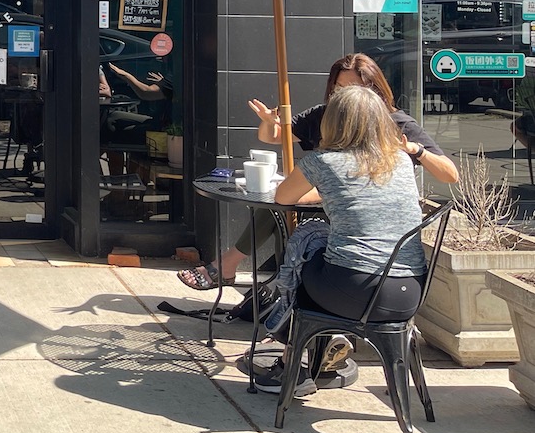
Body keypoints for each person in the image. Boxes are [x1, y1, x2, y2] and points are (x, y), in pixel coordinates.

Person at [178, 52, 456, 291]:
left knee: (292, 219)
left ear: (373, 90)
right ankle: (274, 295)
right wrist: (268, 123)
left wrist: (417, 150)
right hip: (404, 277)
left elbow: (449, 174)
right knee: (282, 210)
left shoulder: (398, 131)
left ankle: (275, 297)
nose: (344, 99)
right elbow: (276, 136)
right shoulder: (326, 116)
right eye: (339, 90)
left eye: (353, 91)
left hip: (360, 220)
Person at [252, 85, 430, 392]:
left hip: (355, 292)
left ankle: (294, 369)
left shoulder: (323, 162)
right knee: (319, 251)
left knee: (306, 250)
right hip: (409, 294)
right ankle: (318, 352)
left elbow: (283, 197)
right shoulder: (401, 161)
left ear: (331, 122)